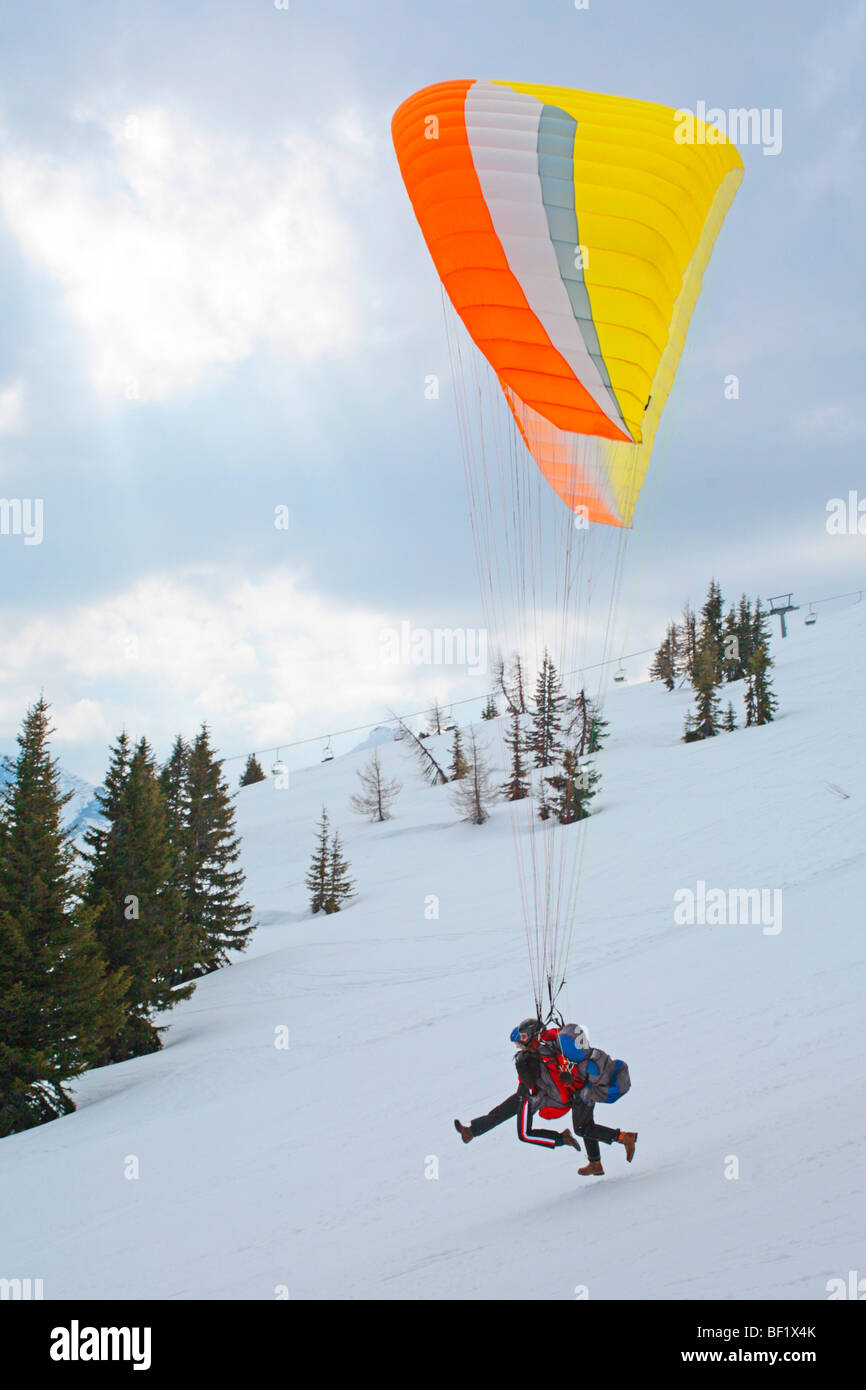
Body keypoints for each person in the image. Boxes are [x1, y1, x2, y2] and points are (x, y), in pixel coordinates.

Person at [454, 1018, 637, 1177]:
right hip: (569, 1092)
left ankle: (621, 1137)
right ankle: (595, 1163)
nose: (519, 1045)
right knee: (582, 1125)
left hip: (576, 1093)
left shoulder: (548, 1048)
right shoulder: (538, 1052)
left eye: (522, 1040)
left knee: (581, 1128)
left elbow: (566, 1065)